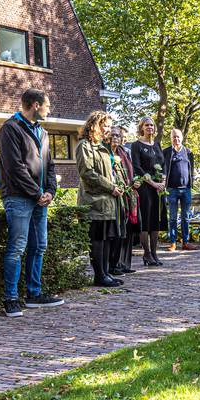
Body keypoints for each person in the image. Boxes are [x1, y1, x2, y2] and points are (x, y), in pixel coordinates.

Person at [0, 88, 63, 315]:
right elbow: (14, 167)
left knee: (39, 246)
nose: (49, 109)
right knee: (17, 247)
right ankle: (10, 298)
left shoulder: (42, 132)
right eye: (47, 105)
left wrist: (50, 191)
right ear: (36, 105)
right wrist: (37, 193)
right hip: (18, 197)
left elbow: (49, 164)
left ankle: (34, 294)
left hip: (39, 199)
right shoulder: (10, 129)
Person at [77, 111, 125, 287]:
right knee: (97, 240)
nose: (108, 130)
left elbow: (108, 173)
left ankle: (105, 273)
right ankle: (99, 275)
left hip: (107, 202)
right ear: (94, 125)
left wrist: (117, 185)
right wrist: (111, 187)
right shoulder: (84, 146)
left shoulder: (103, 147)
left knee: (105, 239)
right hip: (94, 201)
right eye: (105, 126)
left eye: (110, 126)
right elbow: (87, 173)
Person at [130, 118, 165, 267]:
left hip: (158, 189)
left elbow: (163, 164)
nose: (150, 127)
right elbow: (137, 167)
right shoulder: (136, 145)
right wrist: (153, 183)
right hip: (144, 188)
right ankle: (147, 253)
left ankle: (155, 253)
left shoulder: (157, 144)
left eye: (151, 125)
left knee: (156, 220)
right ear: (141, 128)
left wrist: (163, 182)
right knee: (145, 221)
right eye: (146, 125)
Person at [106, 125, 140, 275]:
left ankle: (121, 264)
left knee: (124, 230)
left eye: (117, 136)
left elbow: (130, 173)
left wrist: (134, 182)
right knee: (113, 231)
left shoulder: (124, 152)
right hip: (111, 195)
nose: (115, 138)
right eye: (112, 135)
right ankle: (111, 265)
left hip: (126, 195)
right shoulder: (105, 152)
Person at [162, 128, 197, 251]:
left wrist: (191, 183)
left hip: (186, 190)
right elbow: (163, 170)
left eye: (178, 136)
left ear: (181, 138)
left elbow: (191, 169)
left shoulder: (188, 152)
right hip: (172, 190)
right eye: (174, 137)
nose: (176, 139)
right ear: (171, 138)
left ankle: (185, 243)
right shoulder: (166, 152)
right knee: (172, 218)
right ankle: (173, 243)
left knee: (185, 218)